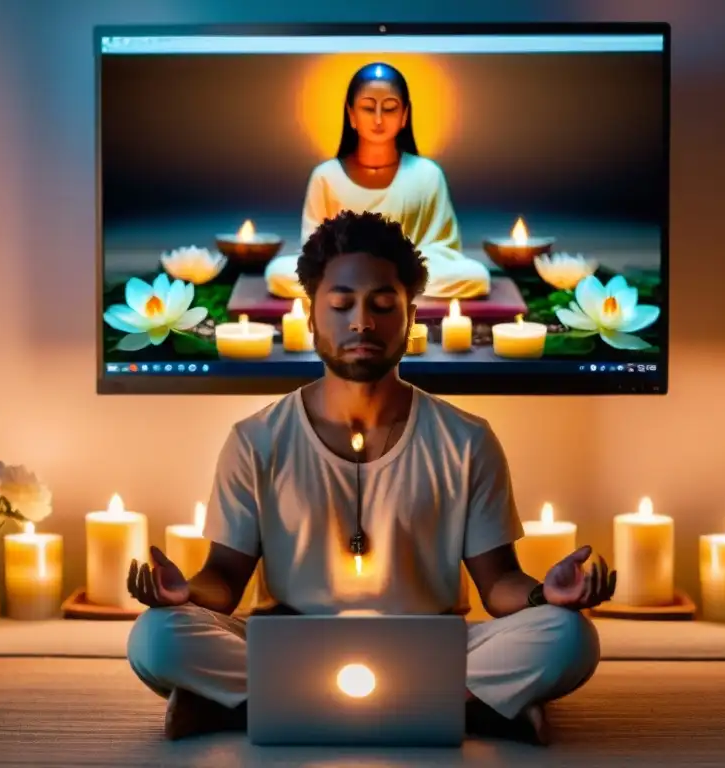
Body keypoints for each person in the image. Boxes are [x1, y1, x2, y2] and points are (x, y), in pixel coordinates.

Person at [126, 210, 615, 744]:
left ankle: (258, 706)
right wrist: (184, 594)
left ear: (410, 317)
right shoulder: (256, 439)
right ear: (312, 317)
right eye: (341, 305)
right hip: (288, 641)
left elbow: (498, 584)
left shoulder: (466, 439)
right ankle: (460, 707)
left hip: (432, 642)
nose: (362, 322)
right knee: (156, 638)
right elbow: (223, 578)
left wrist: (547, 596)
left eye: (383, 305)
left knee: (568, 638)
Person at [264, 61, 492, 301]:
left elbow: (442, 249)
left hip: (404, 272)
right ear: (351, 114)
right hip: (346, 272)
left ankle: (367, 291)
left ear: (404, 115)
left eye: (390, 108)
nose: (379, 119)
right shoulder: (326, 176)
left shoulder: (427, 174)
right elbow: (313, 251)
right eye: (368, 108)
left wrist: (397, 263)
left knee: (475, 276)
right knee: (278, 273)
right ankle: (383, 292)